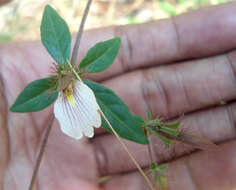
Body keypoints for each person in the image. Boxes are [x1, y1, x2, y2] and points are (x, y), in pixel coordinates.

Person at [1, 2, 236, 190]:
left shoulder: (73, 86)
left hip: (73, 93)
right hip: (69, 96)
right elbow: (36, 99)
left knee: (114, 118)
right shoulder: (63, 88)